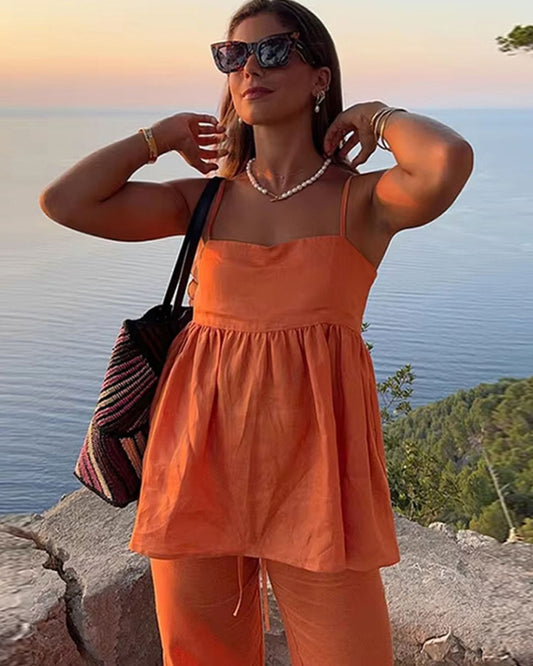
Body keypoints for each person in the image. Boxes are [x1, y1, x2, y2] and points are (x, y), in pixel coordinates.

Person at [39, 0, 474, 663]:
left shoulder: (360, 201)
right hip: (195, 460)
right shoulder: (203, 202)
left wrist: (378, 117)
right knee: (199, 653)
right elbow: (65, 201)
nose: (249, 68)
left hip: (319, 474)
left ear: (320, 78)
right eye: (232, 55)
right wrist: (157, 138)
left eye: (273, 51)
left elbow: (446, 160)